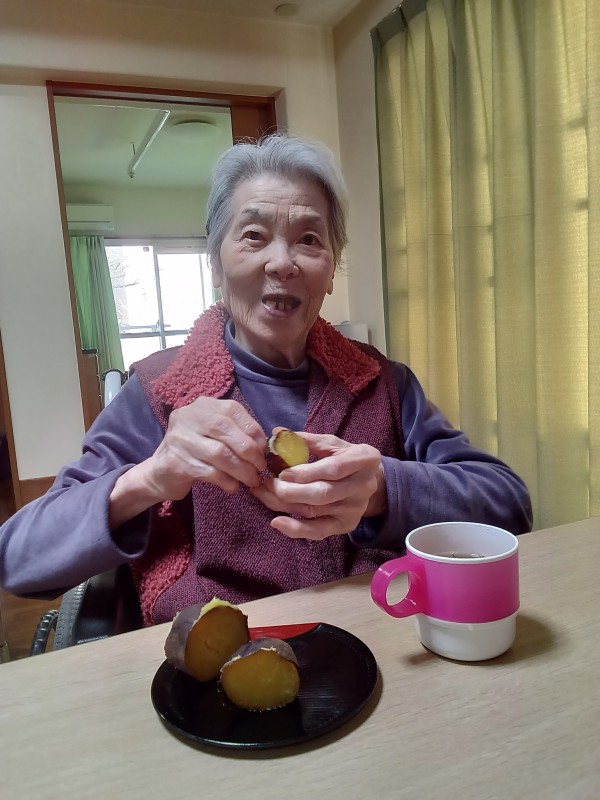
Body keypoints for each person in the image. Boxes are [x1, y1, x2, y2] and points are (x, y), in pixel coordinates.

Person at [0, 134, 532, 626]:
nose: (282, 262)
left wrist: (383, 490)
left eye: (309, 239)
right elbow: (17, 558)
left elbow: (509, 505)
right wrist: (152, 477)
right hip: (223, 661)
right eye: (254, 236)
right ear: (216, 262)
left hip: (383, 642)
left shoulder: (383, 383)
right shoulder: (159, 391)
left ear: (331, 268)